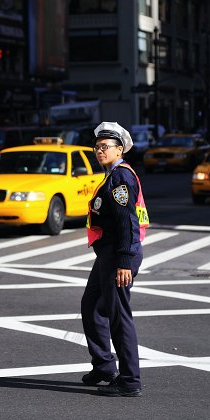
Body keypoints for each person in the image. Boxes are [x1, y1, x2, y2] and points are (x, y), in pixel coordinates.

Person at [81, 121, 149, 397]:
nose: (99, 151)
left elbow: (126, 222)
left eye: (105, 147)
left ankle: (130, 380)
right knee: (91, 306)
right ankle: (104, 366)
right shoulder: (112, 175)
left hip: (121, 253)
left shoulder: (121, 177)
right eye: (97, 147)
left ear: (119, 149)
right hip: (110, 253)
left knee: (119, 317)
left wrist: (123, 261)